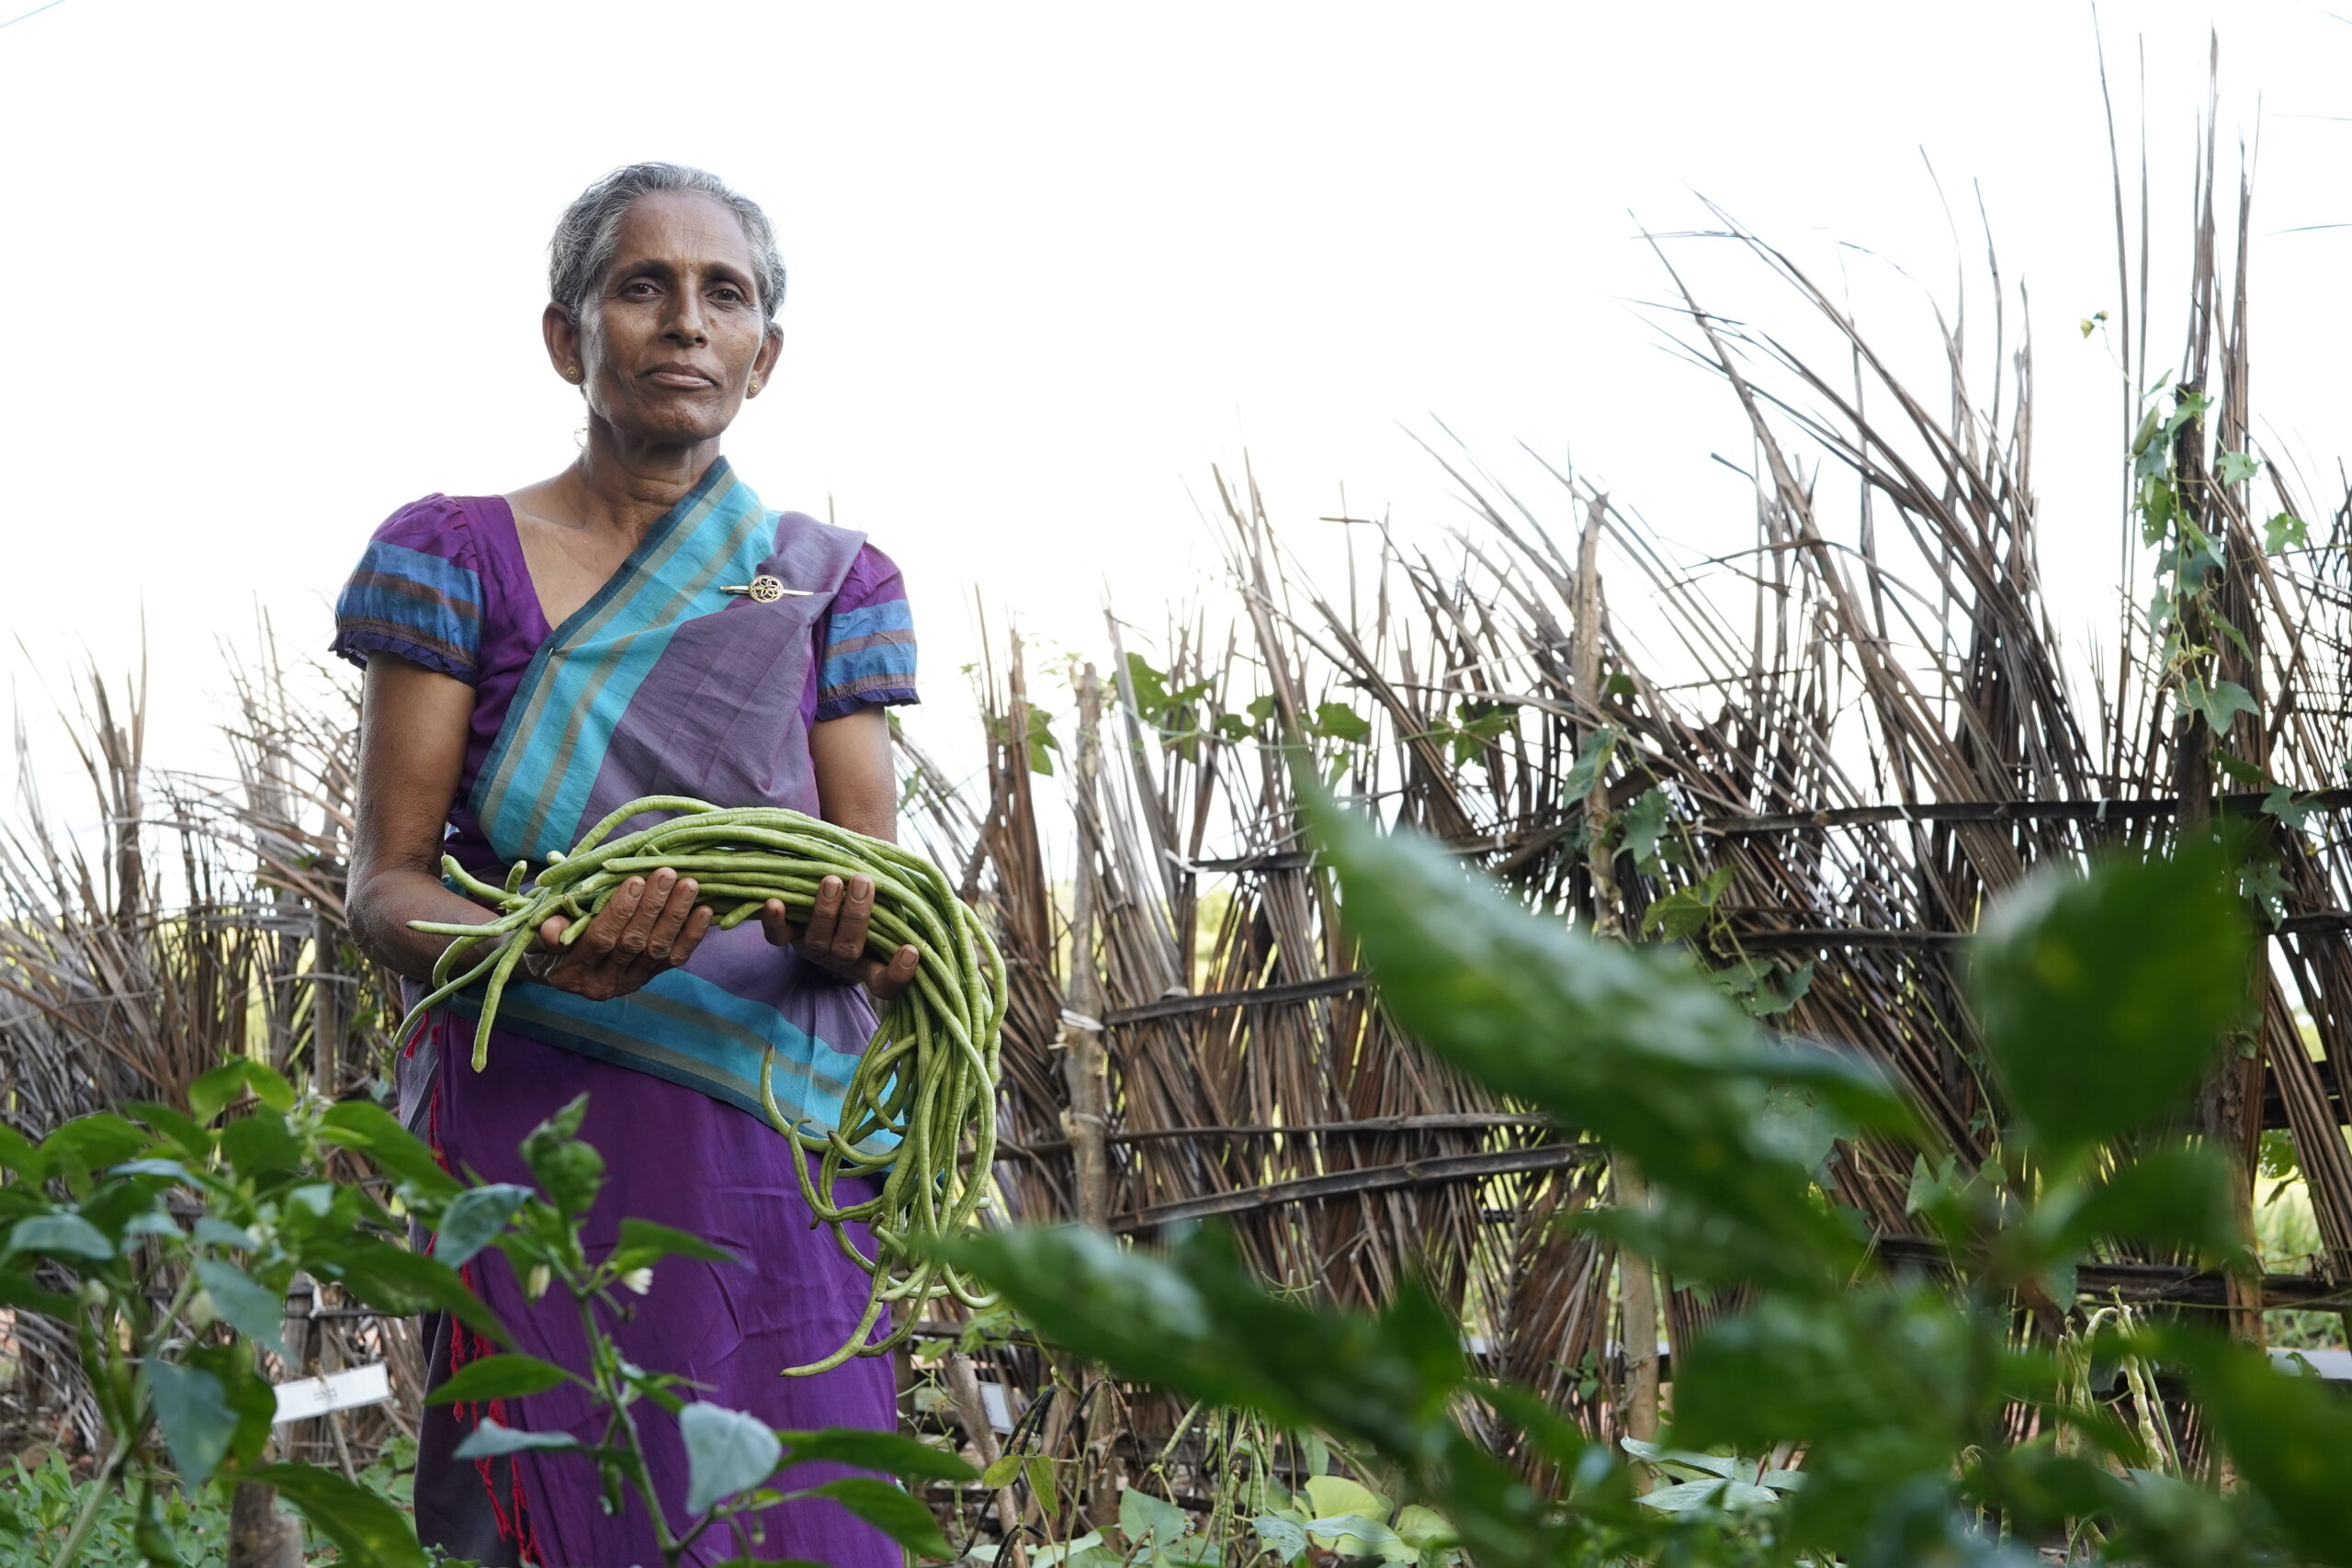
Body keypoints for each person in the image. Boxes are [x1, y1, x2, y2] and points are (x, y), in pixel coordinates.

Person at [338, 163, 920, 1567]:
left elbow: (881, 897)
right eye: (641, 285)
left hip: (765, 1125)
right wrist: (524, 950)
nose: (684, 321)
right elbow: (387, 884)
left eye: (725, 295)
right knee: (559, 1466)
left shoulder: (831, 581)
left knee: (785, 1490)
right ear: (568, 335)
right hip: (539, 1108)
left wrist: (857, 929)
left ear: (763, 358)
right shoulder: (451, 556)